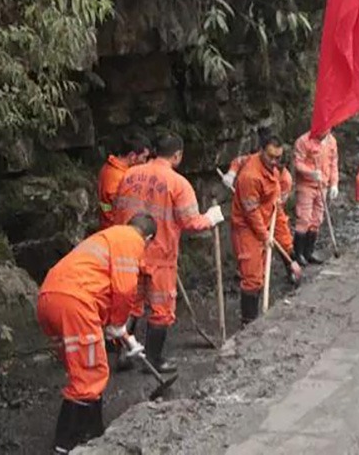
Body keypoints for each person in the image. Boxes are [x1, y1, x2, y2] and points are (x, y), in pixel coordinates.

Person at [36, 214, 157, 453]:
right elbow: (124, 289)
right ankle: (67, 444)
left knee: (82, 369)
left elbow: (102, 285)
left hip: (49, 298)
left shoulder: (107, 237)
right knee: (91, 373)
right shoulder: (131, 240)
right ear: (149, 238)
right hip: (76, 303)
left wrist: (111, 322)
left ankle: (92, 434)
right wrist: (118, 322)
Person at [112, 133, 224, 372]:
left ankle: (124, 354)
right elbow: (191, 222)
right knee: (161, 309)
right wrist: (211, 217)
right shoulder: (177, 183)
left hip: (129, 250)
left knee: (131, 304)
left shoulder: (129, 175)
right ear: (177, 155)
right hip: (160, 255)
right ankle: (153, 359)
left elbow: (117, 210)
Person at [231, 134, 302, 325]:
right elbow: (251, 213)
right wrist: (264, 236)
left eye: (277, 157)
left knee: (261, 273)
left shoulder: (276, 171)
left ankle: (254, 318)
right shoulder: (250, 176)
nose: (274, 161)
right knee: (252, 277)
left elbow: (276, 211)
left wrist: (288, 250)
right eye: (270, 156)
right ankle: (248, 323)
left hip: (266, 217)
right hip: (246, 227)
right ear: (261, 150)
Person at [292, 129, 339, 266]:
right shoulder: (303, 141)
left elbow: (333, 164)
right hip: (306, 185)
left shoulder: (331, 141)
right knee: (304, 218)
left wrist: (334, 183)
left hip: (322, 185)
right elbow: (298, 162)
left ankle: (309, 252)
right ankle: (298, 253)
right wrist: (310, 172)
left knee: (317, 219)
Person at [97, 131, 151, 229]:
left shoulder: (109, 168)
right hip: (116, 229)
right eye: (144, 157)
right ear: (132, 156)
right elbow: (125, 210)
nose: (145, 162)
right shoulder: (119, 177)